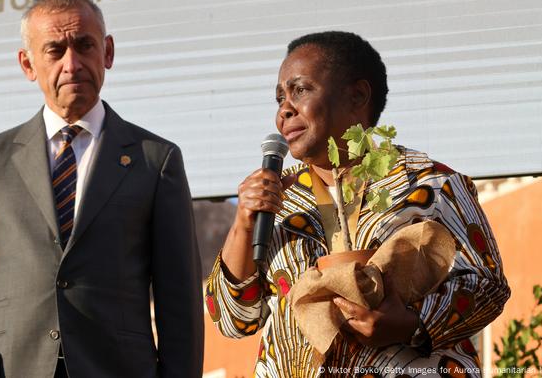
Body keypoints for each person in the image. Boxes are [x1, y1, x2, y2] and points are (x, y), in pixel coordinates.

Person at [205, 31, 510, 377]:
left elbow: (489, 286)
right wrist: (245, 222)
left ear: (357, 95)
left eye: (300, 90)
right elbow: (233, 321)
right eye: (279, 99)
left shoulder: (432, 183)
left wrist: (412, 325)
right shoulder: (277, 198)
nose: (284, 110)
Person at [0, 0, 203, 378]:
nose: (72, 63)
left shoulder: (156, 160)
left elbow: (179, 301)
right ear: (28, 64)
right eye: (54, 51)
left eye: (85, 45)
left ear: (107, 52)